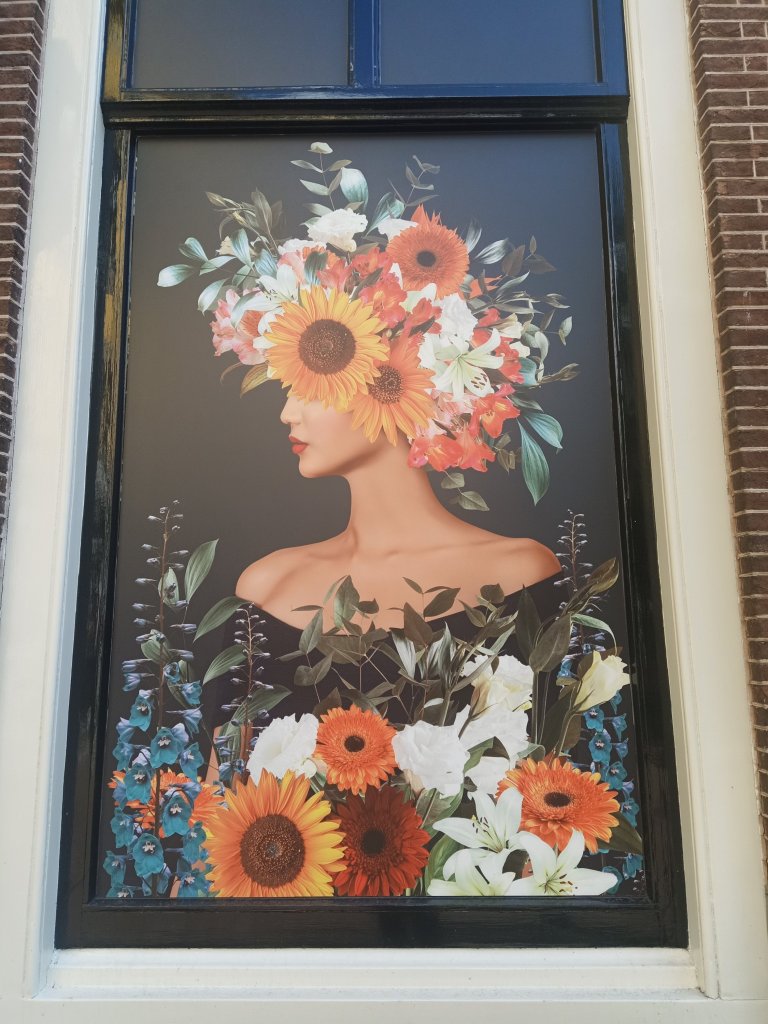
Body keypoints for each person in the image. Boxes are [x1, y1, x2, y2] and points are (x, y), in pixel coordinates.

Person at [236, 392, 560, 630]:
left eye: (315, 389)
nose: (287, 413)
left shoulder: (521, 573)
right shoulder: (266, 586)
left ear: (393, 389)